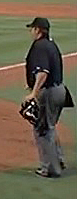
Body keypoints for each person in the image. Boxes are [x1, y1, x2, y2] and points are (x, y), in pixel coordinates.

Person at [22, 17, 72, 178]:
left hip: (49, 92)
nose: (31, 31)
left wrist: (33, 92)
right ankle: (59, 160)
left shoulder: (40, 46)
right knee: (49, 127)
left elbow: (43, 72)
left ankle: (50, 168)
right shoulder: (51, 44)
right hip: (60, 90)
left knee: (42, 129)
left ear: (38, 30)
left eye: (32, 28)